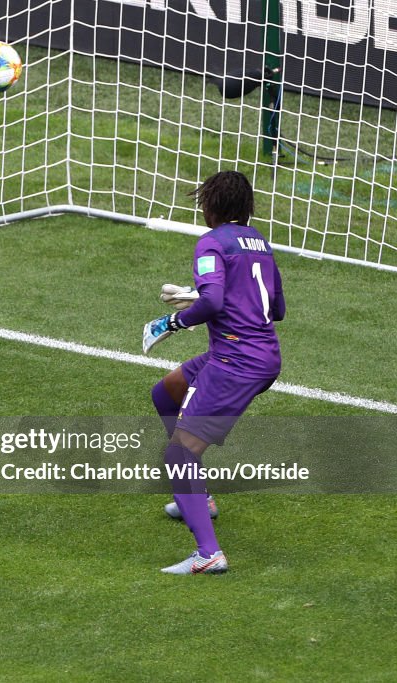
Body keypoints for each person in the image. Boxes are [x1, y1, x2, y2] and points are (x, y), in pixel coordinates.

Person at [142, 170, 285, 575]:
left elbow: (213, 304)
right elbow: (276, 309)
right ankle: (199, 497)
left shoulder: (210, 243)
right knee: (166, 391)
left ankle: (208, 555)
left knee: (180, 452)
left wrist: (170, 322)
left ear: (210, 207)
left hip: (236, 361)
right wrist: (195, 293)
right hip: (258, 354)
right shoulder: (260, 244)